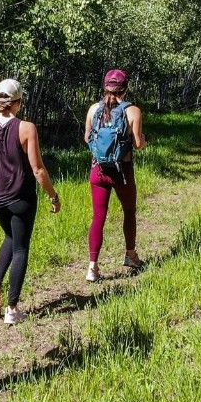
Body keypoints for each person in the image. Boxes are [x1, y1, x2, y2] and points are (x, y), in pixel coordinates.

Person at [0, 79, 61, 325]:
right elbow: (38, 169)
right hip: (21, 197)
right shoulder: (27, 128)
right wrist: (53, 196)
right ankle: (12, 308)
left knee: (10, 237)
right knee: (21, 247)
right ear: (18, 103)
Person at [84, 69, 146, 282]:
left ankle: (92, 267)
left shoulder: (94, 109)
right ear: (126, 88)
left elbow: (87, 138)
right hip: (123, 171)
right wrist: (143, 139)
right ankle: (130, 255)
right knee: (129, 211)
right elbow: (138, 144)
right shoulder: (133, 111)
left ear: (105, 87)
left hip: (98, 171)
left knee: (98, 217)